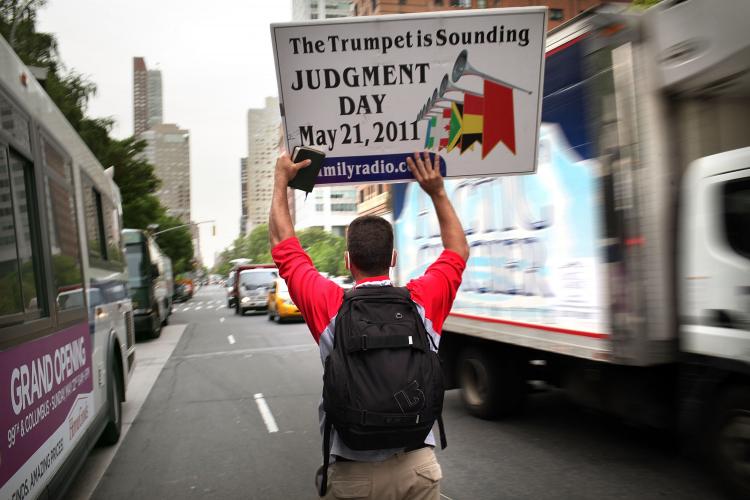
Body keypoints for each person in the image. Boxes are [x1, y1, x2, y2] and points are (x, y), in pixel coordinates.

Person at [269, 151, 469, 500]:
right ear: (393, 259)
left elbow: (283, 246)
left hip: (353, 474)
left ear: (347, 261)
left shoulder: (330, 305)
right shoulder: (422, 302)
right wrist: (436, 191)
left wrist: (281, 180)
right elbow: (458, 250)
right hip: (417, 466)